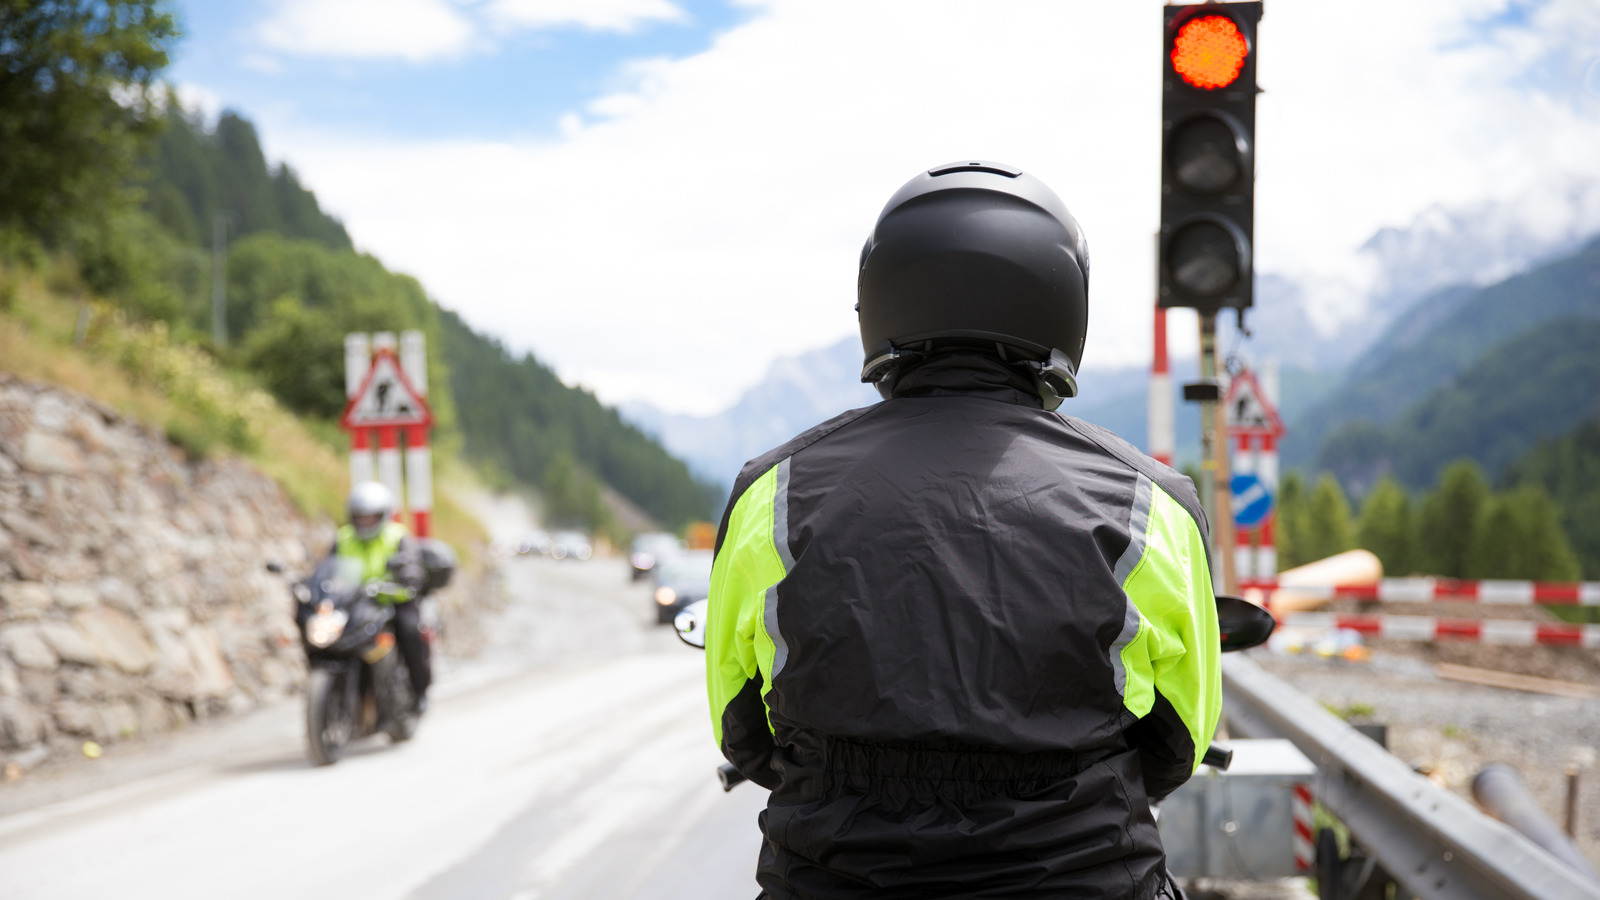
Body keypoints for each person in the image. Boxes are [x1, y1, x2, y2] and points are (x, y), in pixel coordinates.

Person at [705, 162, 1219, 899]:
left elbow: (742, 730)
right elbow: (1179, 742)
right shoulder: (1150, 499)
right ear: (1059, 301)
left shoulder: (772, 491)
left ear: (881, 300)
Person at [334, 481, 431, 712]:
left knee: (409, 632)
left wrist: (408, 577)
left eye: (370, 517)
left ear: (383, 515)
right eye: (360, 516)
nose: (365, 522)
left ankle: (419, 692)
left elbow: (412, 566)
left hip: (394, 601)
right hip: (357, 604)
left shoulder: (397, 536)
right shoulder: (344, 538)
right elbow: (327, 566)